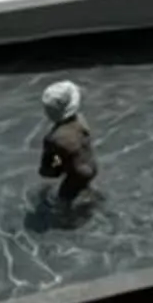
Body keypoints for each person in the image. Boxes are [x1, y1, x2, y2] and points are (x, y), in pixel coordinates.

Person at [38, 80, 99, 215]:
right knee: (83, 185)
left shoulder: (53, 139)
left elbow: (49, 167)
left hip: (75, 174)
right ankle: (93, 202)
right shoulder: (81, 121)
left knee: (64, 198)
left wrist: (56, 165)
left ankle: (65, 220)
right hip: (91, 166)